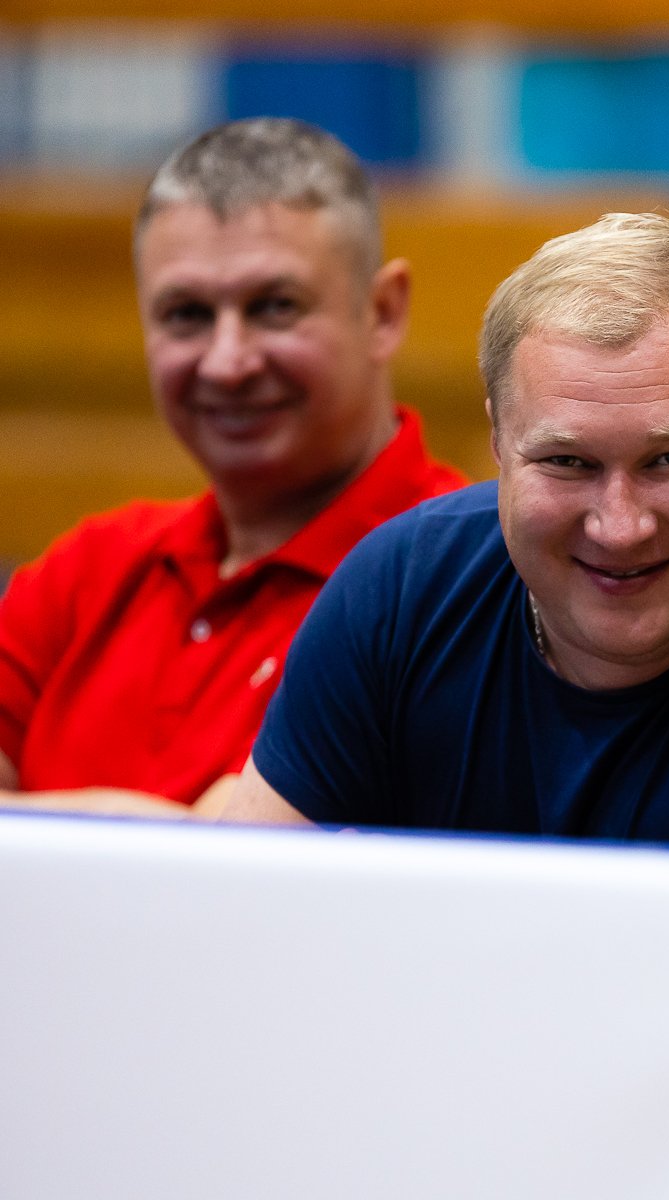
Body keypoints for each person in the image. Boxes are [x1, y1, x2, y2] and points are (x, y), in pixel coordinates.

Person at [220, 212, 669, 854]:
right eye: (567, 463)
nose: (620, 526)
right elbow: (240, 903)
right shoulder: (402, 588)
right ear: (499, 442)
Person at [0, 118, 464, 819]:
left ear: (382, 311)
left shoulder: (459, 584)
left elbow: (240, 866)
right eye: (186, 314)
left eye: (274, 307)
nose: (227, 362)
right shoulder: (85, 574)